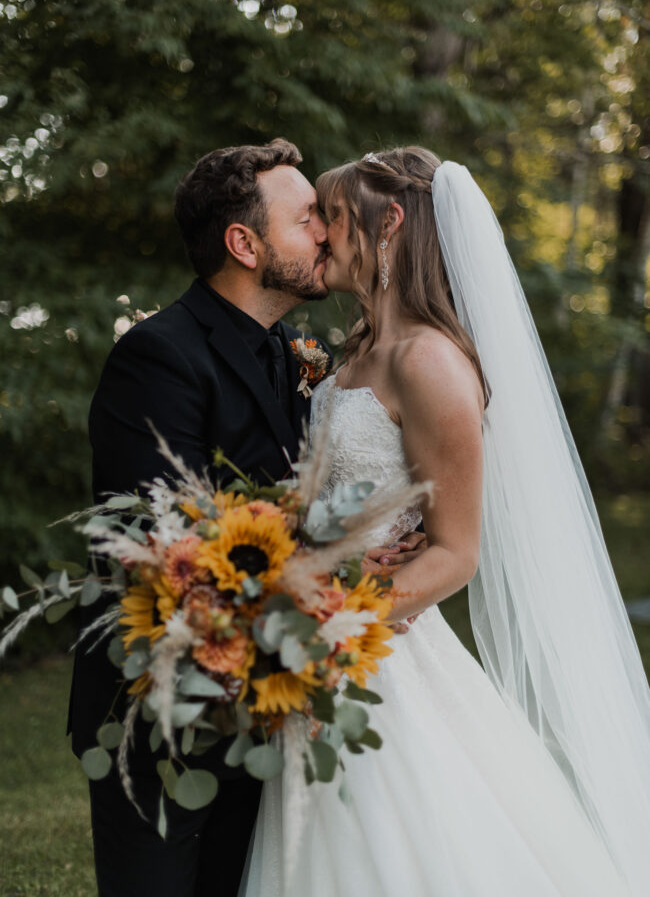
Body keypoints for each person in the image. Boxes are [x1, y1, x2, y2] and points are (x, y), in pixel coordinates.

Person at [241, 147, 650, 896]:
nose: (323, 236)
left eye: (333, 217)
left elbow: (457, 552)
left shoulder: (429, 362)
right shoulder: (359, 350)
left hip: (370, 648)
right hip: (324, 630)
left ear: (388, 221)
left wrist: (330, 630)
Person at [66, 139, 422, 897]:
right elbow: (161, 542)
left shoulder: (299, 351)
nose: (328, 230)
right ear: (244, 242)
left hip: (269, 699)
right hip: (163, 707)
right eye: (308, 219)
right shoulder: (159, 356)